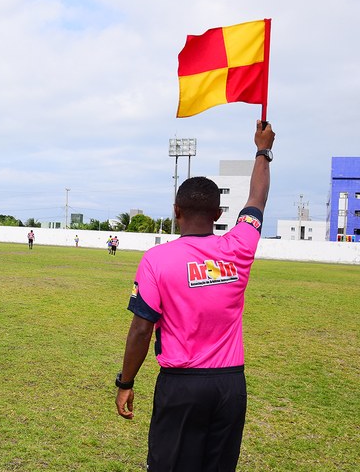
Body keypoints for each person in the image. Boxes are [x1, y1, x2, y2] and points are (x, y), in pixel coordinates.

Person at [115, 120, 275, 471]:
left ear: (176, 210)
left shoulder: (156, 260)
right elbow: (256, 200)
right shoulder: (239, 246)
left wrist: (125, 382)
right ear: (219, 214)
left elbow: (142, 330)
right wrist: (262, 150)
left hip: (181, 386)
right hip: (230, 386)